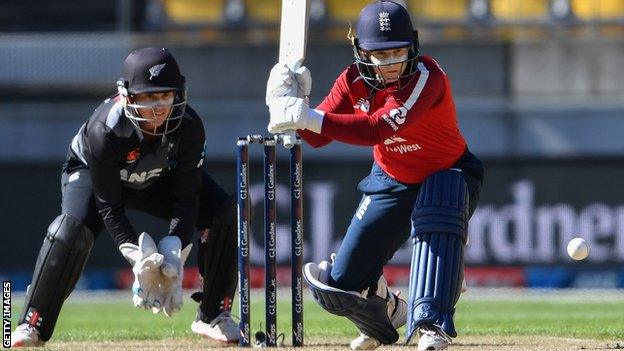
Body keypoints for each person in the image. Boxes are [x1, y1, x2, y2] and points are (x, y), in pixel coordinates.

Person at [265, 1, 484, 350]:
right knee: (340, 284)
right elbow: (319, 137)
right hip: (392, 178)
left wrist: (306, 116)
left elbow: (377, 129)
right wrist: (291, 106)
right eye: (379, 55)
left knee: (437, 209)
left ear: (413, 46)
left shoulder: (428, 77)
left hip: (448, 173)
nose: (391, 63)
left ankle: (430, 325)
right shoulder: (352, 80)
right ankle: (391, 308)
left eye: (397, 52)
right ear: (360, 51)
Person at [10, 47, 239, 347]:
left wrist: (174, 249)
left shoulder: (190, 127)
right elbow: (109, 206)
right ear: (127, 96)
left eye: (165, 96)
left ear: (178, 94)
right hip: (93, 175)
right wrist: (137, 257)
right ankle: (32, 323)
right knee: (70, 230)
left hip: (157, 177)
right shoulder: (103, 130)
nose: (158, 108)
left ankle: (214, 315)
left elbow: (188, 198)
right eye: (148, 98)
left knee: (225, 211)